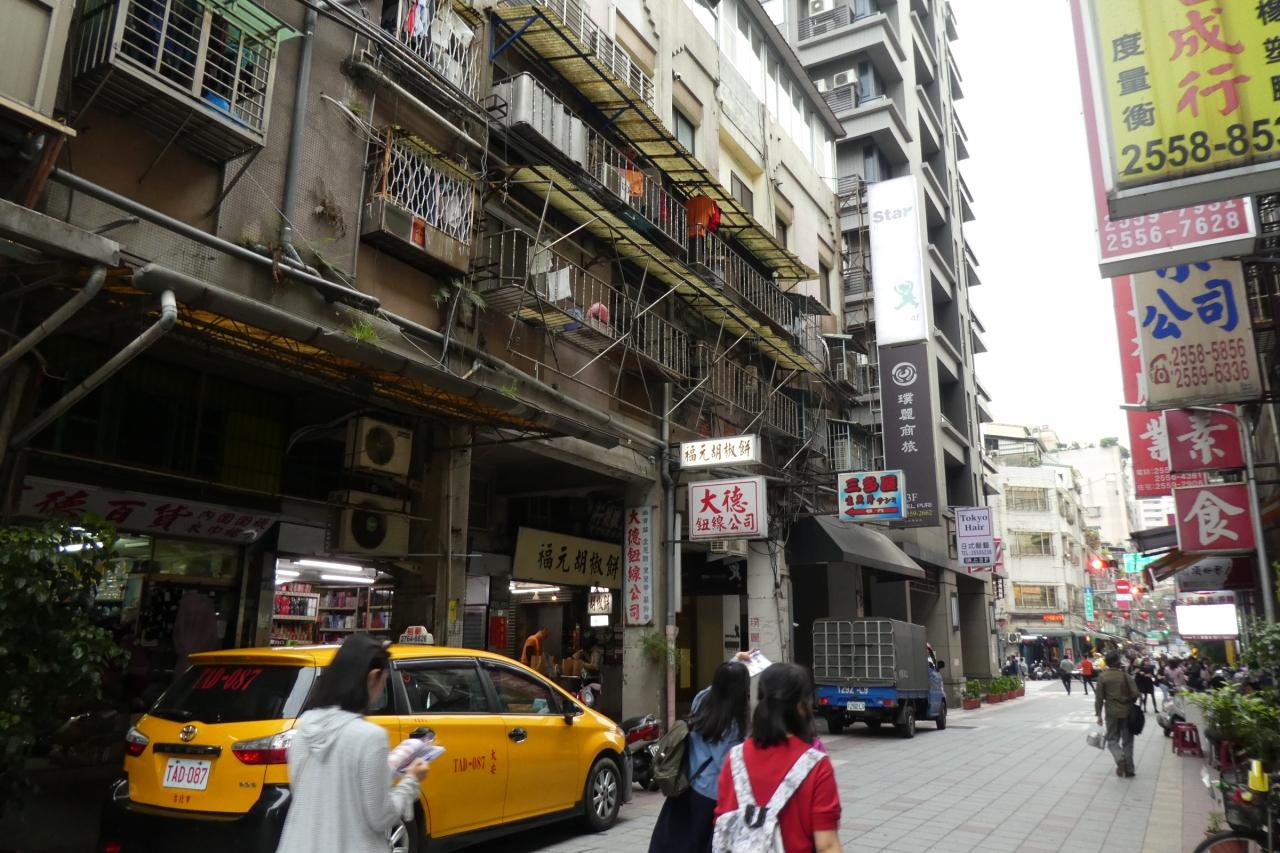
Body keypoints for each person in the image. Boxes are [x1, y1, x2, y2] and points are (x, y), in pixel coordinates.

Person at [276, 635, 429, 853]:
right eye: (383, 681)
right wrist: (411, 780)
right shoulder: (370, 737)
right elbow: (381, 816)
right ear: (373, 676)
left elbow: (317, 789)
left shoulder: (304, 729)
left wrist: (385, 769)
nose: (380, 690)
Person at [714, 664, 842, 853]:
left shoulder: (734, 758)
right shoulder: (817, 765)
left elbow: (722, 824)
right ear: (802, 706)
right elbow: (827, 845)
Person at [648, 660, 751, 853]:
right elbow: (727, 765)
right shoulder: (730, 726)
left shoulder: (701, 702)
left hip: (688, 784)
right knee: (700, 844)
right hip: (709, 795)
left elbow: (715, 687)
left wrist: (734, 661)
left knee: (679, 842)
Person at [1095, 651, 1138, 779]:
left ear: (1107, 663)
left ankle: (1120, 760)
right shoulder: (1126, 676)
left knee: (1112, 739)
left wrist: (1099, 715)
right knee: (1128, 741)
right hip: (1127, 712)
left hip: (1111, 713)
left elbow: (1099, 698)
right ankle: (1129, 769)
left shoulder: (1103, 677)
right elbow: (1136, 693)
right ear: (1118, 662)